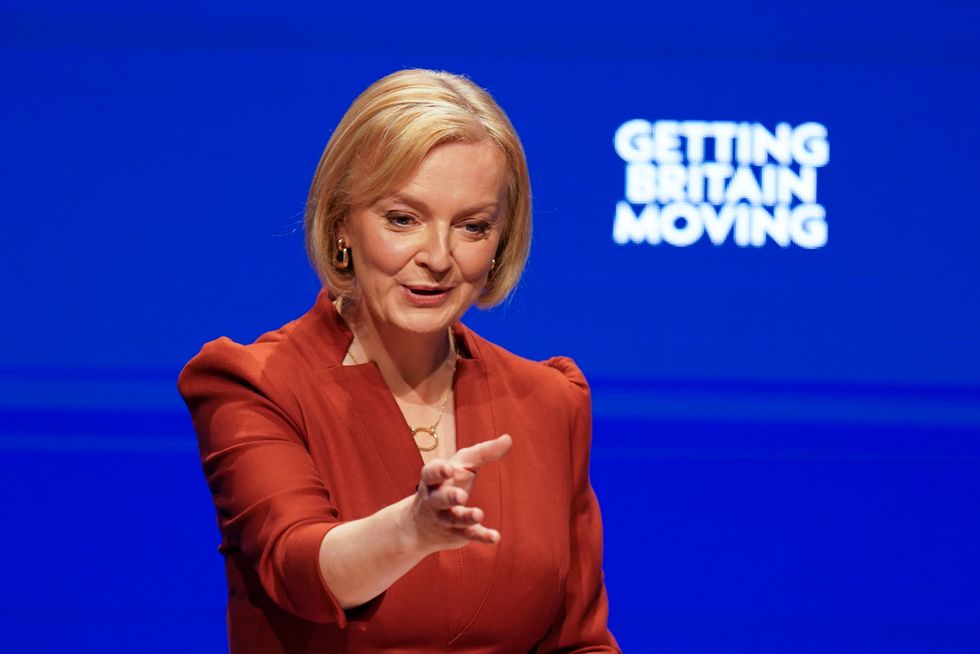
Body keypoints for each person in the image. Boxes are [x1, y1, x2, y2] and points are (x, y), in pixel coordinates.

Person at [178, 68, 619, 653]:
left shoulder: (548, 401)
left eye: (472, 226)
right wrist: (412, 530)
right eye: (402, 219)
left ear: (501, 242)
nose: (437, 257)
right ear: (342, 224)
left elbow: (578, 642)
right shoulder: (255, 384)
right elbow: (299, 566)